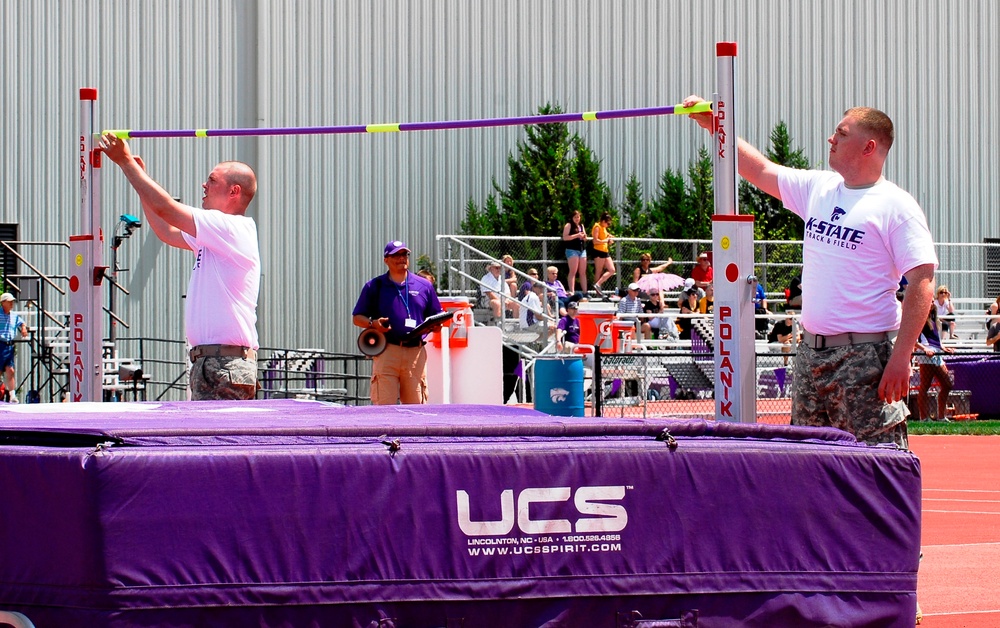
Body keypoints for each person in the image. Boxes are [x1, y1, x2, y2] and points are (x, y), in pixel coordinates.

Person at [685, 95, 938, 447]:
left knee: (874, 465)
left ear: (868, 146)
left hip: (865, 357)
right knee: (810, 465)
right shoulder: (819, 188)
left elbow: (922, 282)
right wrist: (715, 125)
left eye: (841, 133)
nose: (831, 139)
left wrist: (901, 356)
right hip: (811, 354)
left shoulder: (896, 206)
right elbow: (760, 170)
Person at [99, 132, 261, 401]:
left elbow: (168, 210)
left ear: (234, 191)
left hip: (225, 364)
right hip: (211, 361)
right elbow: (166, 230)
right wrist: (139, 182)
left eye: (212, 180)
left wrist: (126, 163)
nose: (204, 185)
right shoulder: (214, 236)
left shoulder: (232, 227)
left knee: (220, 442)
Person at [353, 241, 443, 405]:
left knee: (416, 408)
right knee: (384, 408)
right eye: (396, 255)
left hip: (415, 353)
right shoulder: (375, 286)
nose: (401, 258)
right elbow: (357, 317)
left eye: (404, 254)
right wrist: (374, 324)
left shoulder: (424, 286)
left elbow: (437, 316)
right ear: (386, 259)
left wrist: (437, 327)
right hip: (387, 351)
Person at [914, 304, 954, 421]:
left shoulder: (933, 319)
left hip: (937, 353)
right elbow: (914, 340)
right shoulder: (919, 318)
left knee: (947, 384)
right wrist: (925, 349)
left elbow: (936, 340)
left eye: (932, 301)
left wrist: (944, 348)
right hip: (927, 353)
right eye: (929, 301)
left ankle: (941, 416)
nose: (931, 303)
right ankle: (924, 417)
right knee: (925, 385)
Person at [0, 293, 28, 403]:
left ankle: (12, 395)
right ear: (3, 303)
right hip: (0, 343)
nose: (12, 304)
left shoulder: (14, 315)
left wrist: (24, 328)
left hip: (9, 345)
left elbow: (21, 322)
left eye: (12, 301)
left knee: (10, 370)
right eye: (9, 301)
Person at [562, 211, 588, 294]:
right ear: (572, 218)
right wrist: (577, 235)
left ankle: (585, 292)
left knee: (583, 272)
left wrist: (584, 237)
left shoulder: (581, 225)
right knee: (573, 271)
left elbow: (585, 237)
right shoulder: (568, 225)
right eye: (575, 217)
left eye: (578, 217)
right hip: (572, 250)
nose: (577, 219)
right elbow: (565, 237)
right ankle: (572, 291)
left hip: (582, 249)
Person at [591, 213, 616, 295]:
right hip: (598, 251)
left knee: (612, 270)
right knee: (599, 271)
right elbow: (595, 241)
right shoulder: (597, 227)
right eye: (607, 223)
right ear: (603, 221)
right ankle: (597, 292)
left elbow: (605, 236)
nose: (608, 225)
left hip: (605, 251)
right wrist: (606, 240)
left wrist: (610, 238)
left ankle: (598, 284)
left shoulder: (603, 227)